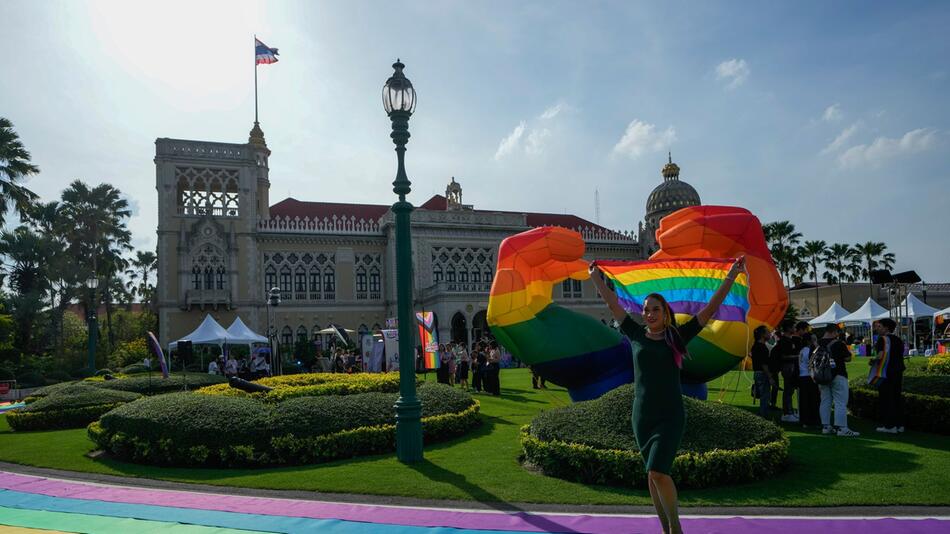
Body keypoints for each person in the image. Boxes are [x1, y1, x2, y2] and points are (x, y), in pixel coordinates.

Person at [592, 256, 746, 534]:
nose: (650, 314)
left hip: (670, 416)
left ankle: (676, 530)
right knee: (652, 477)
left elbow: (709, 310)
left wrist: (732, 275)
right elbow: (613, 305)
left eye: (656, 310)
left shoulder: (677, 336)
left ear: (665, 313)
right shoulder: (636, 334)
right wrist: (596, 278)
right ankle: (666, 530)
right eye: (647, 309)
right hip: (642, 416)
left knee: (658, 472)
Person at [817, 324, 859, 436]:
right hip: (838, 374)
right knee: (840, 402)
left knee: (825, 401)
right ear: (834, 332)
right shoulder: (838, 343)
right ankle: (842, 428)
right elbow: (848, 358)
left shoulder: (816, 343)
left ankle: (826, 427)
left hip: (822, 376)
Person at [872, 318, 905, 433]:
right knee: (896, 397)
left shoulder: (883, 340)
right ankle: (899, 425)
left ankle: (890, 426)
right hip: (898, 371)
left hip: (886, 372)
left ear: (886, 328)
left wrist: (872, 361)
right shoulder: (898, 339)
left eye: (879, 326)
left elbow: (880, 356)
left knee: (887, 398)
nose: (877, 329)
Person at [771, 320, 799, 422]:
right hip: (787, 367)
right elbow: (784, 356)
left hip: (790, 366)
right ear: (788, 328)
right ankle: (787, 413)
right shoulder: (784, 341)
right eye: (793, 327)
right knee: (788, 390)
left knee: (790, 390)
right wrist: (798, 356)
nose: (795, 329)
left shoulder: (789, 340)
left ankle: (789, 411)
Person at [750, 325, 774, 418]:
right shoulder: (762, 348)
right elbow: (764, 364)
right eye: (768, 332)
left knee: (763, 395)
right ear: (762, 335)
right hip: (762, 373)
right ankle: (763, 416)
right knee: (765, 396)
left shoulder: (755, 346)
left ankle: (762, 414)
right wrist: (770, 377)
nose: (770, 334)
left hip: (757, 373)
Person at [797, 332, 821, 428]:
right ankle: (812, 420)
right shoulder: (809, 351)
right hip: (809, 376)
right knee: (813, 400)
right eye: (813, 340)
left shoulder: (802, 350)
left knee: (804, 400)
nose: (815, 342)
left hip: (802, 376)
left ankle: (804, 421)